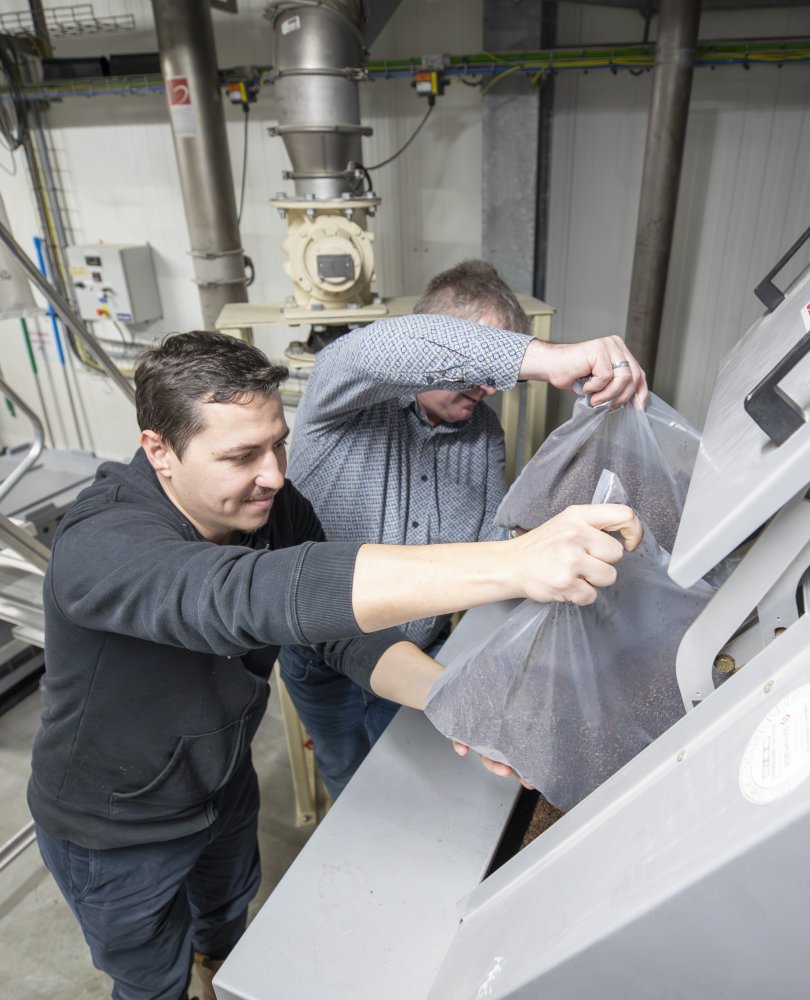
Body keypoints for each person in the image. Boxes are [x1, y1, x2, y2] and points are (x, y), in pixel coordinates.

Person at [26, 330, 642, 1000]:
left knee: (226, 916)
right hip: (118, 825)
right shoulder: (102, 543)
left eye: (277, 443)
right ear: (159, 451)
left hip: (221, 784)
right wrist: (513, 563)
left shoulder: (272, 509)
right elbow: (246, 594)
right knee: (151, 980)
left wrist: (454, 697)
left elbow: (343, 636)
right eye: (241, 456)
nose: (274, 474)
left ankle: (212, 968)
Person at [280, 259, 649, 798]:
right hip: (319, 655)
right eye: (482, 357)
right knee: (346, 775)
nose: (491, 386)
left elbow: (489, 540)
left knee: (407, 787)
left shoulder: (481, 433)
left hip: (418, 653)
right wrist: (548, 357)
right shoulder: (343, 400)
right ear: (438, 339)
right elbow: (378, 347)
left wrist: (557, 542)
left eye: (499, 369)